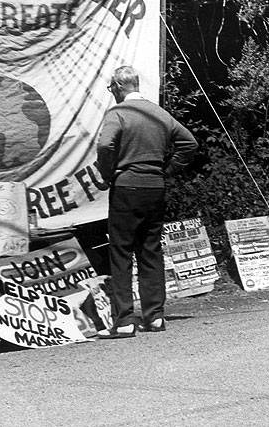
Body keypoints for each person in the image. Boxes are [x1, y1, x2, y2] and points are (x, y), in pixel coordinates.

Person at [96, 66, 197, 339]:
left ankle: (125, 320)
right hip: (155, 187)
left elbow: (105, 146)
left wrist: (107, 174)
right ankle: (155, 317)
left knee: (121, 253)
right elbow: (189, 143)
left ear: (118, 86)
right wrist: (167, 169)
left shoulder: (118, 114)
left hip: (126, 187)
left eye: (112, 88)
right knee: (150, 250)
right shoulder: (159, 113)